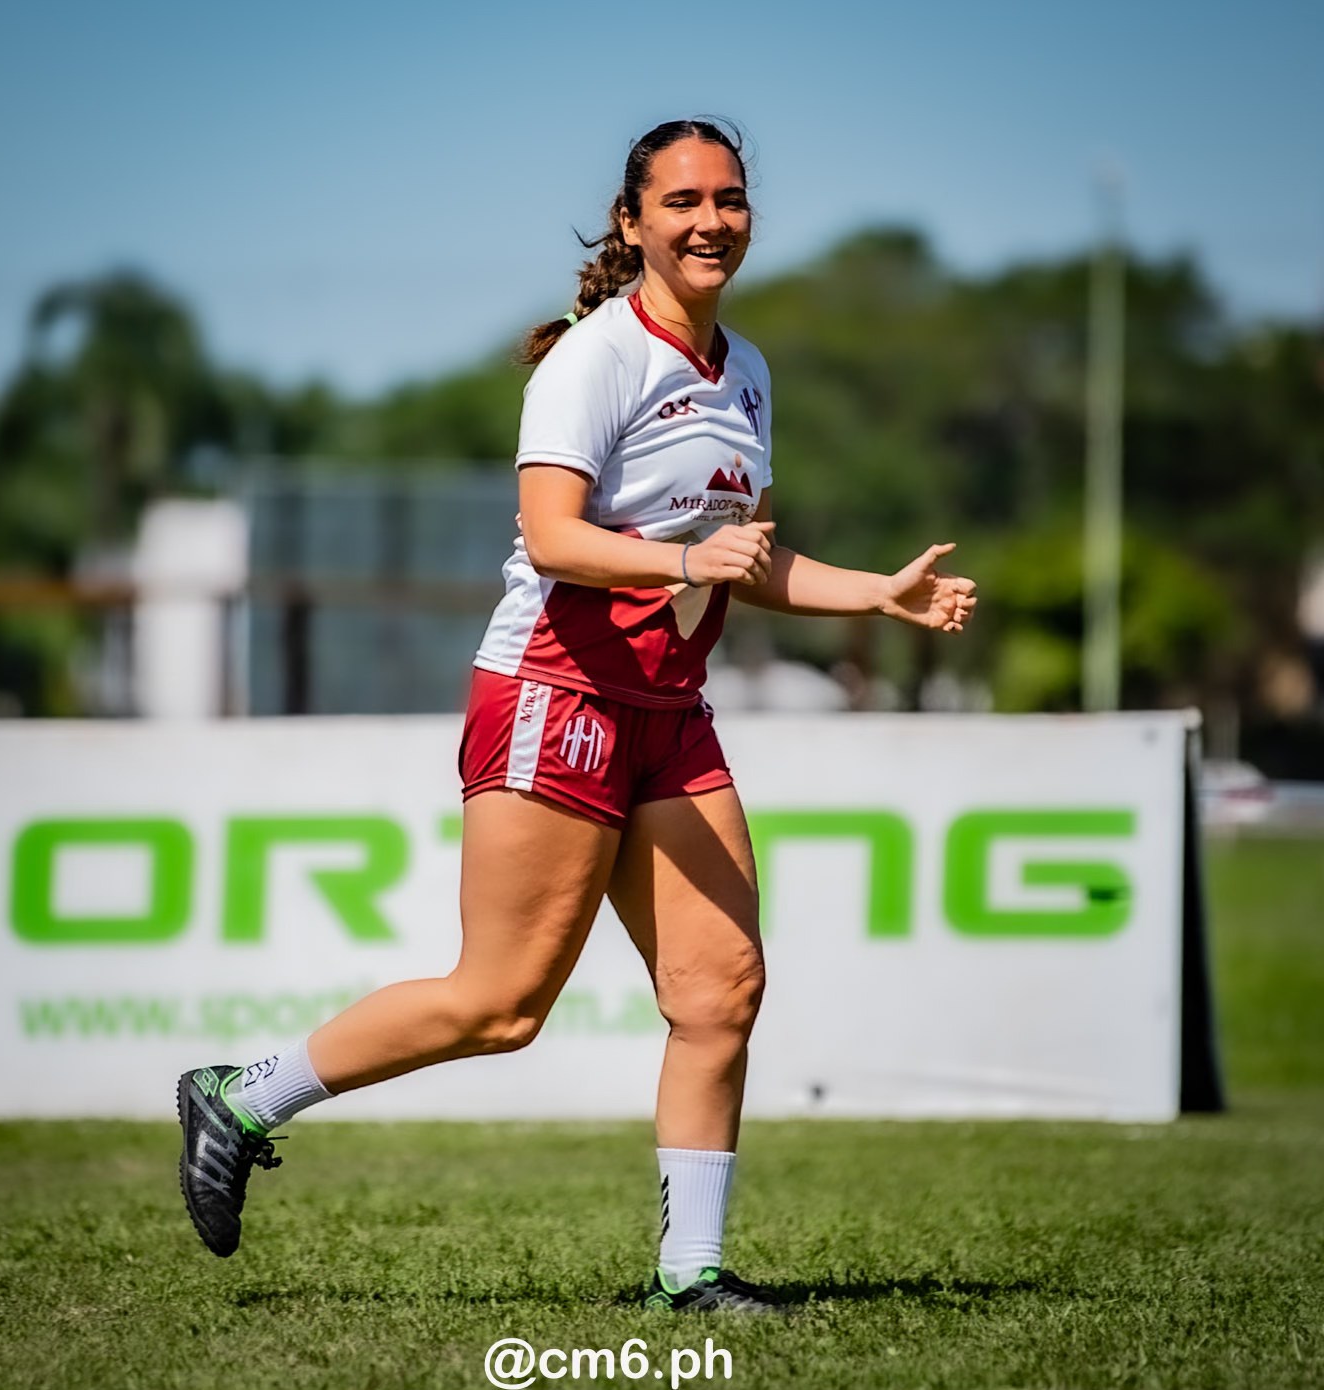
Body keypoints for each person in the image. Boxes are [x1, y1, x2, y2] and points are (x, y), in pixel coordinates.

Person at [177, 117, 978, 1313]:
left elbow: (739, 558)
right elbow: (553, 538)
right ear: (633, 221)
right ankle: (241, 1097)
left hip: (672, 708)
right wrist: (687, 563)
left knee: (721, 993)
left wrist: (880, 592)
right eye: (684, 201)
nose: (712, 220)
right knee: (500, 1006)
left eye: (732, 198)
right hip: (559, 693)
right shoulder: (596, 359)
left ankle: (690, 1275)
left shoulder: (745, 369)